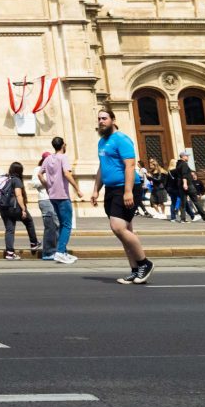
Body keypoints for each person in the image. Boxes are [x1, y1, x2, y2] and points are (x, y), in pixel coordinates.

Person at [89, 110, 152, 285]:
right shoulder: (102, 142)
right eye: (99, 119)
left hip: (125, 189)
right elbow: (102, 168)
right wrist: (96, 189)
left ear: (113, 120)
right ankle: (135, 270)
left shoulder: (122, 139)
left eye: (104, 118)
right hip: (110, 189)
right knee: (125, 232)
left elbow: (130, 166)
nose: (101, 121)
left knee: (118, 227)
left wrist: (128, 191)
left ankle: (144, 263)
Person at [39, 138, 81, 263]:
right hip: (62, 195)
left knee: (62, 224)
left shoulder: (47, 159)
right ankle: (60, 251)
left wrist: (47, 186)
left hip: (52, 196)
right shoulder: (63, 157)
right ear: (63, 145)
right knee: (67, 225)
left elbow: (40, 174)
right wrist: (77, 189)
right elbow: (67, 174)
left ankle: (62, 251)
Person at [0, 161, 39, 259]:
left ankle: (10, 253)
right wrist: (23, 209)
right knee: (29, 221)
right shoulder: (16, 180)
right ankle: (34, 243)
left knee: (9, 230)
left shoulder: (5, 179)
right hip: (14, 208)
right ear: (20, 171)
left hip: (3, 208)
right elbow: (18, 195)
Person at [34, 151, 58, 259]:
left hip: (56, 199)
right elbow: (34, 183)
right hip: (45, 199)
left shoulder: (54, 168)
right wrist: (47, 181)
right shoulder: (38, 169)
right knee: (50, 226)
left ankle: (58, 249)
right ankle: (48, 252)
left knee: (58, 225)